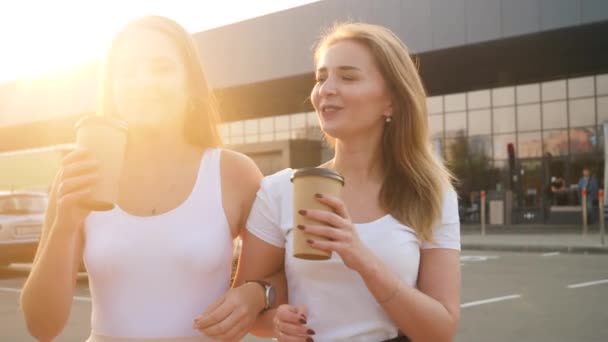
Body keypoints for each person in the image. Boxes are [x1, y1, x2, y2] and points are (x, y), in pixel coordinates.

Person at [198, 22, 461, 342]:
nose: (326, 89)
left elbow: (441, 331)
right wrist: (276, 324)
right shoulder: (280, 190)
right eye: (321, 78)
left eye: (348, 77)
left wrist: (362, 259)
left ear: (390, 100)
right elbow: (253, 309)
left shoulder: (430, 194)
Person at [20, 16, 265, 342]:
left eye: (161, 68)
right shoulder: (79, 176)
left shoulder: (234, 174)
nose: (143, 82)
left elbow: (281, 279)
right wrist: (64, 225)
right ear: (113, 88)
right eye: (128, 71)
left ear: (191, 83)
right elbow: (41, 327)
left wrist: (258, 294)